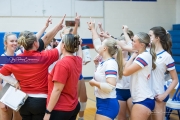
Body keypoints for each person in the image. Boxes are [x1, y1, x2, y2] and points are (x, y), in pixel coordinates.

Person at [0, 15, 66, 120]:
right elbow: (59, 48)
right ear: (35, 43)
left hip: (23, 101)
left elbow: (2, 74)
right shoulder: (43, 57)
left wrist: (15, 82)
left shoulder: (16, 59)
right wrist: (65, 35)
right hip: (40, 101)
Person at [87, 19, 123, 120]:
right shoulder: (103, 61)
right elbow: (101, 77)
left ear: (105, 48)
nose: (99, 46)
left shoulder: (111, 63)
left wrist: (94, 83)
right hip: (102, 101)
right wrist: (96, 65)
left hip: (108, 103)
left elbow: (110, 86)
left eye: (102, 44)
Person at [43, 34, 82, 120]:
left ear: (63, 45)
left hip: (60, 109)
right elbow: (79, 54)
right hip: (73, 106)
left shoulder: (62, 64)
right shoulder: (78, 60)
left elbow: (57, 90)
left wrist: (48, 112)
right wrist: (79, 44)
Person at [123, 32, 156, 120]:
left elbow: (125, 72)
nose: (132, 43)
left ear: (141, 45)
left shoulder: (143, 57)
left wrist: (132, 56)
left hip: (143, 99)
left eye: (134, 41)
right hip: (142, 98)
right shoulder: (142, 55)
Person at [148, 26, 178, 120]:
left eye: (150, 35)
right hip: (146, 94)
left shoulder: (166, 56)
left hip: (158, 93)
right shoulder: (147, 53)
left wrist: (164, 94)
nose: (148, 38)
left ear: (157, 38)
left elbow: (175, 79)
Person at [0, 32, 22, 120]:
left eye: (16, 41)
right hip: (5, 94)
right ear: (5, 43)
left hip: (18, 93)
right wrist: (1, 100)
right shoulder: (2, 58)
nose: (14, 43)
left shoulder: (19, 56)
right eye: (11, 41)